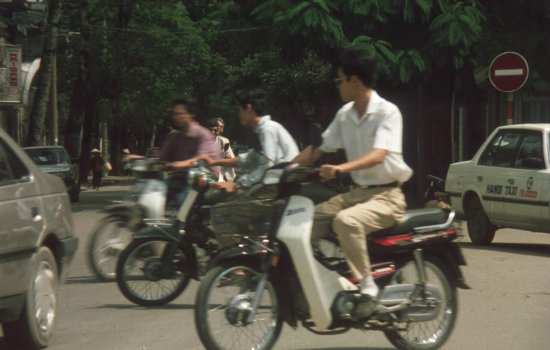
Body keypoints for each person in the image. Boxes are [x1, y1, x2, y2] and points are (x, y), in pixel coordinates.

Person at [293, 48, 413, 317]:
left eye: (339, 80)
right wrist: (283, 169)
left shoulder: (387, 112)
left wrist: (340, 168)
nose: (337, 86)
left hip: (387, 196)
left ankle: (368, 286)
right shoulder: (345, 114)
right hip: (356, 193)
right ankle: (326, 284)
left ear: (354, 81)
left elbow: (379, 154)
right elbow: (318, 148)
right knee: (303, 223)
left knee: (346, 221)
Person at [196, 88, 299, 192]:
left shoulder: (267, 129)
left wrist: (238, 184)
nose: (239, 115)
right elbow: (248, 159)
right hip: (281, 185)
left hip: (288, 185)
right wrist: (213, 162)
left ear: (249, 108)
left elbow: (268, 166)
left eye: (240, 110)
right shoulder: (261, 130)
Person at [126, 97, 220, 206]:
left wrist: (181, 164)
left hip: (203, 179)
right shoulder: (174, 137)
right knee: (153, 195)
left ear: (191, 114)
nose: (176, 117)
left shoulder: (203, 135)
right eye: (174, 114)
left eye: (180, 114)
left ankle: (182, 222)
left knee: (181, 201)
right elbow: (159, 159)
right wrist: (137, 158)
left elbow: (201, 158)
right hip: (181, 178)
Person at [206, 118, 236, 182]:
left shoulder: (224, 141)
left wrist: (228, 158)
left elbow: (232, 159)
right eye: (211, 130)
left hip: (221, 175)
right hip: (207, 174)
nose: (213, 132)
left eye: (215, 130)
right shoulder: (203, 142)